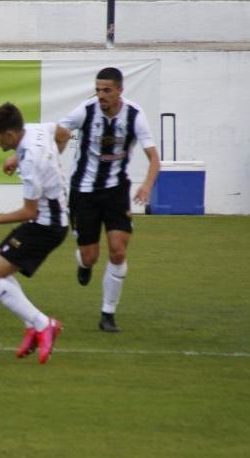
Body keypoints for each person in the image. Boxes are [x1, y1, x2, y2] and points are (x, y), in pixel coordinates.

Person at [0, 103, 69, 364]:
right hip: (48, 220)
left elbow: (28, 212)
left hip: (45, 227)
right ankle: (33, 325)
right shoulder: (35, 130)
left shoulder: (33, 160)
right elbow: (64, 133)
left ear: (10, 135)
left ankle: (43, 324)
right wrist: (48, 162)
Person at [59, 67, 161, 332]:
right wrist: (58, 143)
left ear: (119, 91)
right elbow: (59, 129)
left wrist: (147, 185)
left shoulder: (135, 115)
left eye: (106, 90)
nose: (100, 95)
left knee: (118, 250)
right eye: (98, 90)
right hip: (84, 192)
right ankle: (83, 263)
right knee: (90, 255)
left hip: (116, 191)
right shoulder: (86, 110)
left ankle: (108, 314)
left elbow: (154, 158)